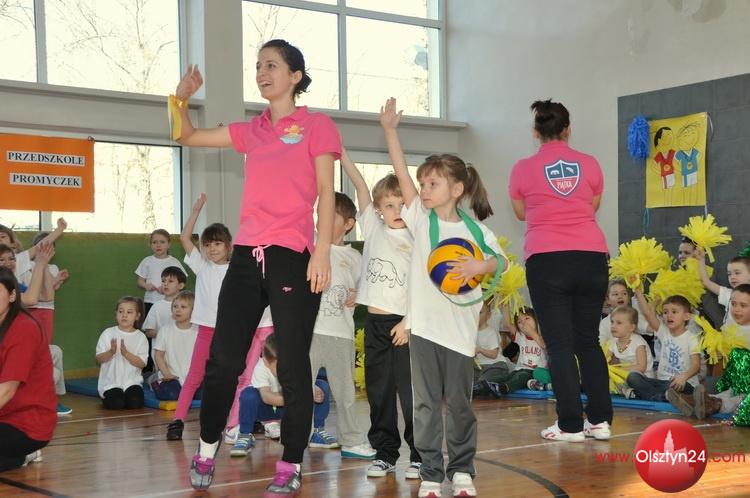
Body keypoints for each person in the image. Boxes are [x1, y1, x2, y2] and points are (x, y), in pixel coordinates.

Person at [173, 38, 340, 495]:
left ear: (295, 76)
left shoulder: (317, 126)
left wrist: (322, 250)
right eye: (258, 66)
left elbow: (328, 191)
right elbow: (187, 136)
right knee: (223, 361)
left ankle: (291, 463)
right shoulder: (253, 130)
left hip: (293, 255)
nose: (262, 73)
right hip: (247, 256)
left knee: (293, 366)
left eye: (272, 65)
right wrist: (180, 100)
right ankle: (207, 448)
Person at [381, 97, 506, 498]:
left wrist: (479, 266)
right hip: (425, 331)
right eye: (423, 184)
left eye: (432, 184)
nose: (424, 190)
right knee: (424, 405)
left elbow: (501, 262)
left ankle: (462, 468)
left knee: (460, 405)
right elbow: (401, 173)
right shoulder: (420, 218)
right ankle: (431, 472)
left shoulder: (477, 231)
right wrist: (390, 132)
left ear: (457, 189)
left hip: (460, 333)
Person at [508, 99, 612, 443]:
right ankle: (600, 421)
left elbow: (521, 213)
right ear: (568, 129)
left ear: (535, 132)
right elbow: (592, 206)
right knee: (588, 341)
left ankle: (570, 425)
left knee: (559, 344)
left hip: (547, 259)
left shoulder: (523, 168)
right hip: (591, 256)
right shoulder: (590, 163)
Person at [340, 148, 420, 478]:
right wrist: (342, 153)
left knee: (411, 394)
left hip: (405, 325)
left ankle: (419, 455)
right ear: (378, 209)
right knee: (379, 392)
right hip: (375, 324)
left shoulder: (417, 237)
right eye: (389, 205)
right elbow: (359, 184)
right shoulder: (373, 229)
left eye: (402, 204)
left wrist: (408, 322)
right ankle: (385, 452)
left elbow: (422, 287)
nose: (396, 211)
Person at [304, 191, 375, 457]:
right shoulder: (309, 245)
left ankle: (352, 441)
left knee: (345, 393)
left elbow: (367, 287)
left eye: (329, 216)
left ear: (348, 223)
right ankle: (298, 437)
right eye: (318, 214)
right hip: (310, 332)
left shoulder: (355, 257)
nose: (320, 219)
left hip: (341, 335)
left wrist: (360, 295)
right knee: (301, 389)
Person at [166, 195, 232, 440]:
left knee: (234, 377)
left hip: (229, 332)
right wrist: (195, 211)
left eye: (217, 243)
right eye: (208, 244)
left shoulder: (236, 269)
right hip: (206, 330)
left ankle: (237, 423)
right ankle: (177, 421)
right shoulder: (203, 266)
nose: (212, 248)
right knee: (194, 377)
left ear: (228, 246)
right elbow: (185, 238)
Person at [231, 334, 333, 458]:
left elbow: (305, 382)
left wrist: (313, 390)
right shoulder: (261, 367)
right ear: (266, 361)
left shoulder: (293, 365)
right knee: (248, 395)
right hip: (266, 409)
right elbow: (267, 397)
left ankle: (317, 432)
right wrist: (297, 399)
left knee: (322, 386)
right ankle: (245, 435)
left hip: (288, 408)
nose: (284, 369)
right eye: (279, 366)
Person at [0, 267, 56, 472]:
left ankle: (24, 455)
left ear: (12, 295)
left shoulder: (23, 329)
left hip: (27, 423)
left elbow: (7, 390)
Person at [628, 291, 702, 411]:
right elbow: (647, 313)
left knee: (676, 387)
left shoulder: (692, 338)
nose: (669, 316)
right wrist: (637, 290)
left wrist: (683, 377)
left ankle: (650, 395)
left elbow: (696, 365)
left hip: (683, 384)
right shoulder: (664, 332)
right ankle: (664, 397)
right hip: (662, 383)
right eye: (665, 312)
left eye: (674, 312)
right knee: (633, 377)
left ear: (687, 316)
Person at [478, 307, 549, 396]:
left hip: (533, 372)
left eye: (527, 318)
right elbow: (507, 324)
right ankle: (480, 386)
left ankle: (503, 388)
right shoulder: (520, 336)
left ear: (536, 320)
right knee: (506, 377)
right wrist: (506, 304)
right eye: (519, 322)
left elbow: (544, 345)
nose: (523, 323)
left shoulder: (542, 336)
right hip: (518, 369)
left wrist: (532, 332)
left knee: (521, 377)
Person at [95, 296, 149, 410]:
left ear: (137, 316)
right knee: (117, 403)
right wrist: (111, 352)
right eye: (121, 311)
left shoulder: (141, 337)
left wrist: (126, 354)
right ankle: (110, 395)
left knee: (135, 403)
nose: (124, 315)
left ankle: (127, 395)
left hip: (132, 383)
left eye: (129, 312)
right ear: (116, 314)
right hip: (111, 383)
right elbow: (99, 359)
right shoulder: (108, 333)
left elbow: (142, 363)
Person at [152, 291, 199, 401]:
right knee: (172, 395)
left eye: (183, 307)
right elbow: (158, 355)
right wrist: (166, 374)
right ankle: (153, 382)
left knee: (203, 395)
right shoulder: (165, 330)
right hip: (171, 377)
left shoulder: (198, 331)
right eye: (175, 306)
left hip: (192, 379)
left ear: (193, 311)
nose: (178, 310)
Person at [135, 229, 186, 318]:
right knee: (150, 324)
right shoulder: (147, 261)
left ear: (169, 244)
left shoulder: (174, 262)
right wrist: (146, 285)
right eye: (154, 242)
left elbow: (182, 282)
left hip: (171, 302)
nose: (158, 245)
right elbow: (140, 281)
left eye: (162, 242)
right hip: (150, 301)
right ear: (150, 245)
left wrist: (167, 289)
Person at [606, 305, 653, 398]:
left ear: (631, 327)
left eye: (619, 323)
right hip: (623, 376)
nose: (613, 326)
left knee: (633, 377)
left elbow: (641, 367)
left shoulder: (638, 342)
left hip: (642, 377)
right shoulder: (613, 342)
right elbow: (605, 361)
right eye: (612, 322)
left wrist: (620, 370)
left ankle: (634, 392)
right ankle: (630, 392)